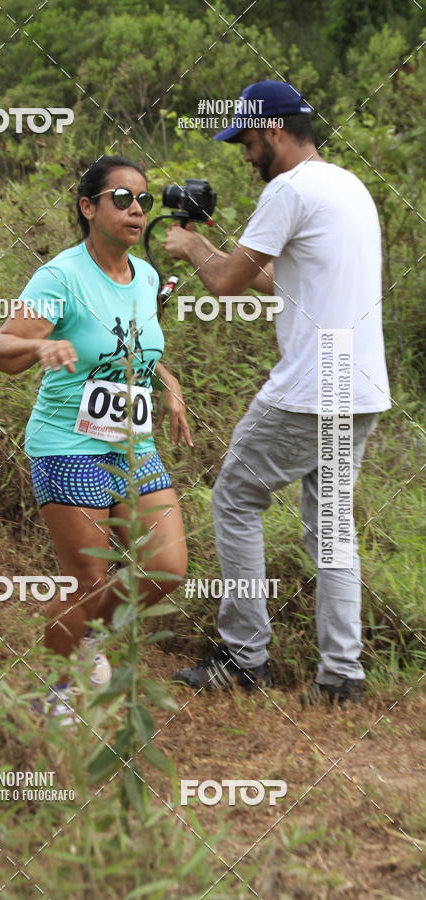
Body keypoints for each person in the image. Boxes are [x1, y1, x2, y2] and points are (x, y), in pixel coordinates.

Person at [163, 80, 390, 705]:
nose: (244, 155)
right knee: (333, 531)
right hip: (359, 387)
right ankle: (341, 677)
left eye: (246, 141)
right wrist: (217, 250)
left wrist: (192, 245)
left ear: (274, 130)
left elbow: (227, 284)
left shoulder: (288, 188)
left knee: (235, 496)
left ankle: (244, 659)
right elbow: (282, 279)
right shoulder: (348, 186)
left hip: (310, 389)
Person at [0, 155, 192, 723]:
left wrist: (168, 383)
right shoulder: (61, 277)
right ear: (88, 207)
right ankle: (53, 692)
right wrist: (39, 346)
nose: (136, 210)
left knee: (167, 565)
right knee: (86, 580)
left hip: (132, 444)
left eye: (143, 200)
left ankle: (89, 638)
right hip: (68, 445)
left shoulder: (145, 277)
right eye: (121, 198)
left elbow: (135, 346)